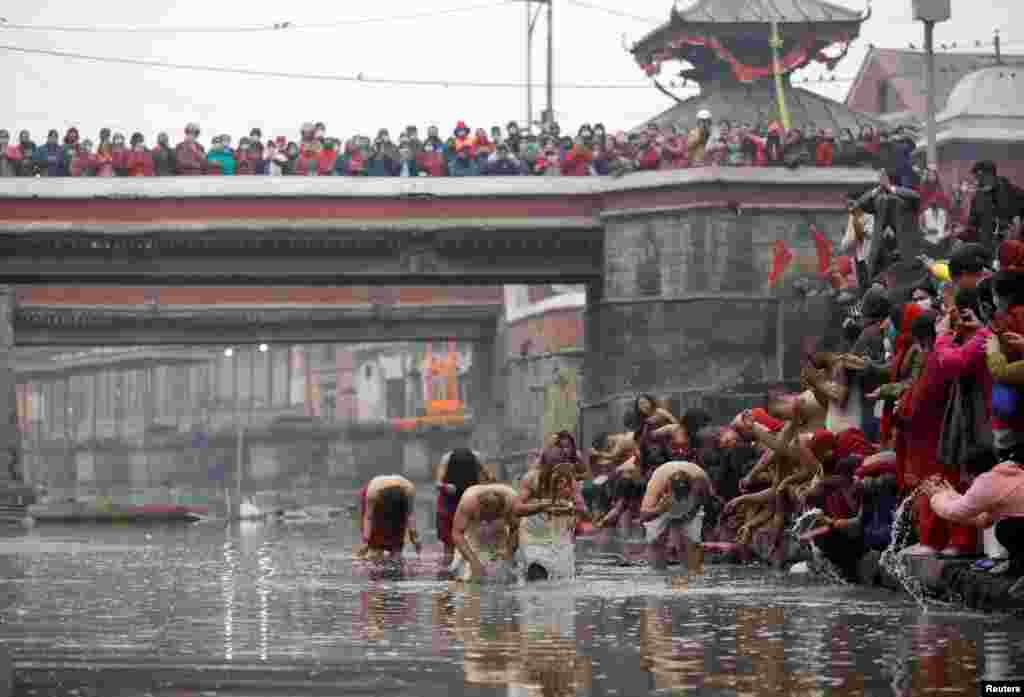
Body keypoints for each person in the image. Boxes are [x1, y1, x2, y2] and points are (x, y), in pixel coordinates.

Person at [449, 482, 560, 582]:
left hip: (501, 527)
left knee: (507, 568)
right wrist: (473, 561)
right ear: (479, 507)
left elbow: (515, 528)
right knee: (467, 573)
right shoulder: (468, 503)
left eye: (493, 516)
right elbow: (457, 533)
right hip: (473, 528)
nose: (488, 520)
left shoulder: (511, 503)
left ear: (501, 509)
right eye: (485, 516)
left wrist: (508, 551)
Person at [640, 460, 712, 572]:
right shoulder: (657, 484)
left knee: (691, 542)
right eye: (677, 495)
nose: (679, 499)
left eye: (682, 495)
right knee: (655, 540)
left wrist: (689, 515)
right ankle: (658, 573)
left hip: (692, 503)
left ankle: (692, 573)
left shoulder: (700, 481)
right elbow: (644, 516)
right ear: (668, 488)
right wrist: (660, 510)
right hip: (662, 505)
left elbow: (704, 501)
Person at [435, 448, 488, 566]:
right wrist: (445, 486)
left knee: (471, 539)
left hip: (469, 500)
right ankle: (447, 570)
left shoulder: (477, 458)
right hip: (449, 502)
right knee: (449, 544)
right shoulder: (446, 459)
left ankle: (471, 568)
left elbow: (486, 478)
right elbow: (437, 483)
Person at [356, 474, 421, 561]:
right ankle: (375, 552)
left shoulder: (409, 490)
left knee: (397, 546)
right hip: (376, 495)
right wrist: (366, 541)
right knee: (375, 547)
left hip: (398, 499)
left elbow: (410, 515)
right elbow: (368, 517)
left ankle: (395, 553)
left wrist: (414, 539)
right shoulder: (372, 493)